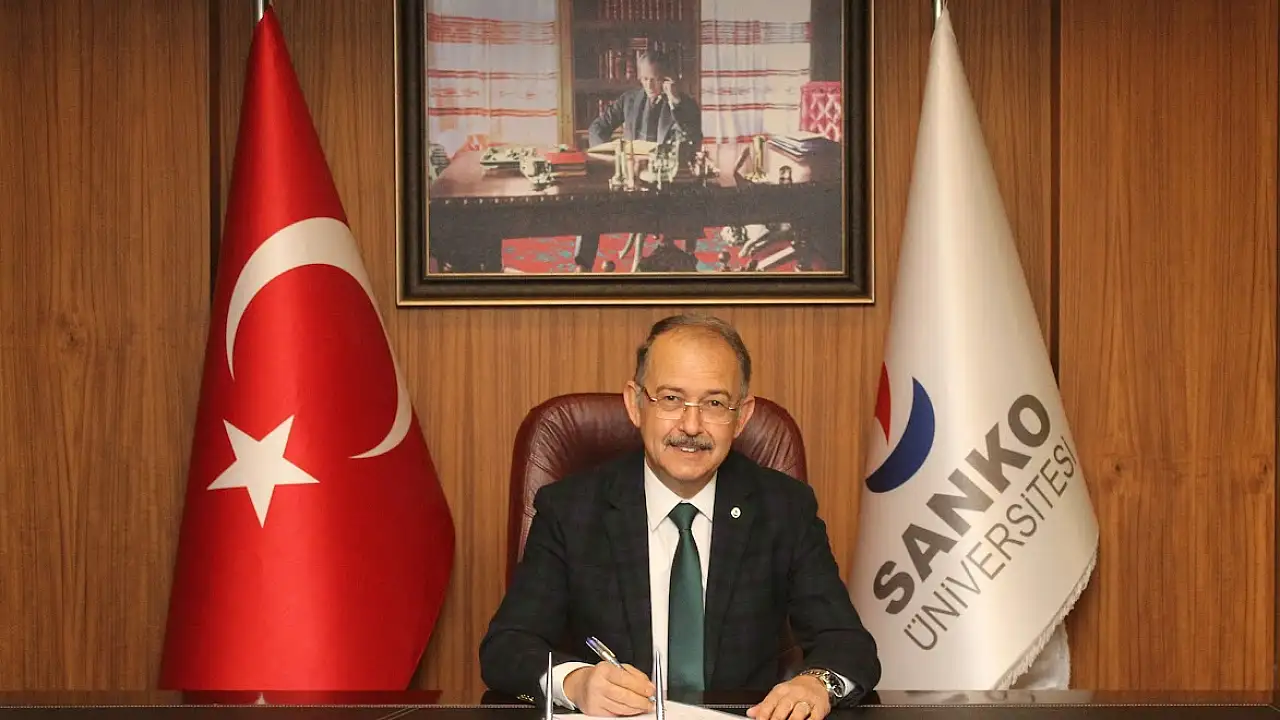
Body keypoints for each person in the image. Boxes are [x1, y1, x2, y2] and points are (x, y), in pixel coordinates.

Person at [479, 314, 881, 720]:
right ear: (635, 404)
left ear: (741, 416)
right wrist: (575, 683)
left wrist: (816, 683)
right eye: (671, 399)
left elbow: (848, 644)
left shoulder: (784, 509)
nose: (691, 426)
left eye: (714, 403)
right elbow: (507, 646)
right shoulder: (571, 509)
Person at [588, 51, 703, 149]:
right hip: (633, 164)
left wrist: (675, 101)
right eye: (645, 79)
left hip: (664, 165)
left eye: (655, 79)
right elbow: (597, 127)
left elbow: (693, 138)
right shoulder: (629, 99)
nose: (649, 86)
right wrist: (609, 153)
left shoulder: (684, 104)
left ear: (666, 78)